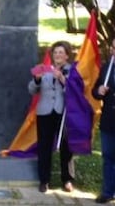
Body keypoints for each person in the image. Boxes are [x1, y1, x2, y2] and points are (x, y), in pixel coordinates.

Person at [28, 40, 75, 193]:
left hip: (63, 112)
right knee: (44, 146)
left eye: (61, 52)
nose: (58, 55)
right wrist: (37, 80)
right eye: (55, 52)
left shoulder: (72, 70)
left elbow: (75, 90)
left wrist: (62, 78)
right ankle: (44, 180)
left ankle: (67, 179)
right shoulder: (44, 69)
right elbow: (31, 89)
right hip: (45, 112)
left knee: (66, 147)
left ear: (67, 56)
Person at [92, 38, 115, 204]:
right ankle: (108, 191)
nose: (114, 50)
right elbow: (96, 91)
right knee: (108, 157)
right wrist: (99, 91)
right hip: (108, 120)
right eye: (113, 47)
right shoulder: (107, 67)